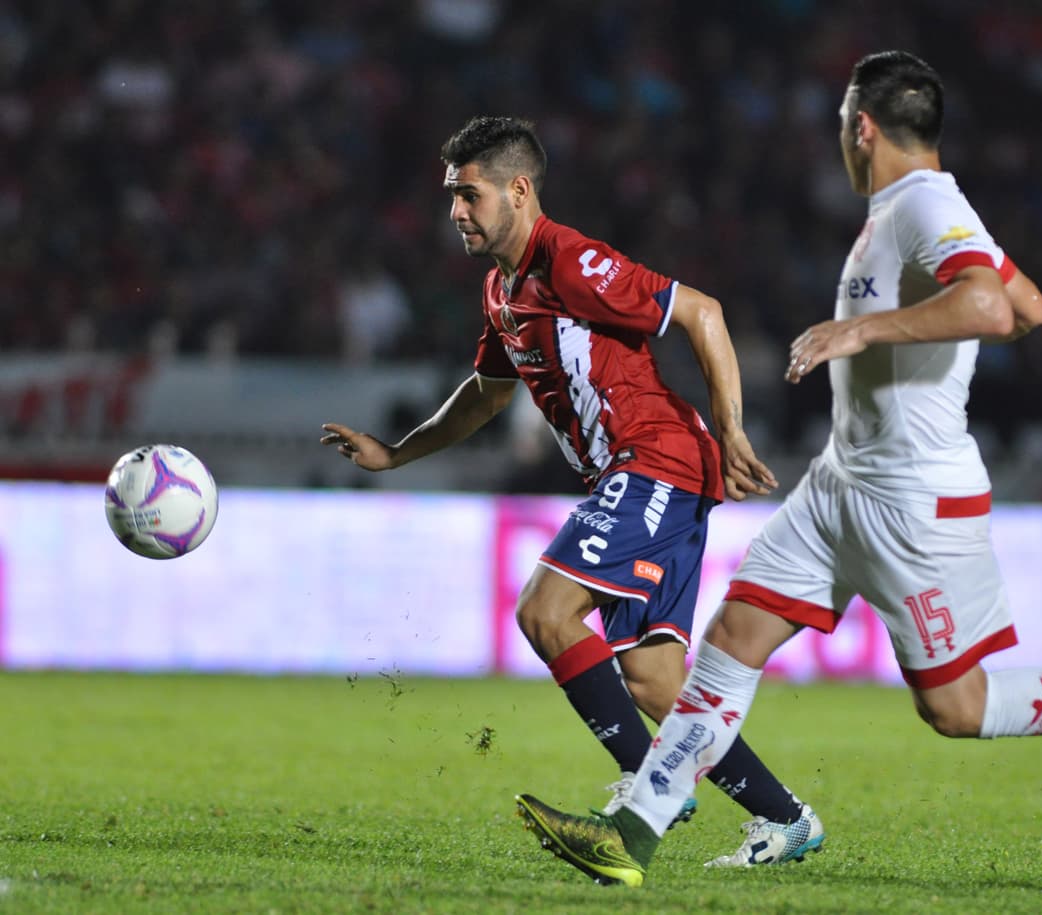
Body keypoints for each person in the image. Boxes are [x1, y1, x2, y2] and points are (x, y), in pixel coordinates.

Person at [515, 51, 1042, 888]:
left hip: (912, 498)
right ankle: (632, 834)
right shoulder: (905, 210)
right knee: (731, 641)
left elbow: (994, 307)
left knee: (955, 707)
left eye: (840, 130)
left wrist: (861, 332)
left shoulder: (925, 203)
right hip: (838, 487)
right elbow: (1029, 303)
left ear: (862, 127)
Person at [321, 116, 826, 867]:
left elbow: (701, 311)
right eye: (451, 196)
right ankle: (787, 819)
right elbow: (487, 396)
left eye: (469, 195)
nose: (455, 211)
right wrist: (397, 453)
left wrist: (733, 430)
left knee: (544, 609)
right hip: (648, 474)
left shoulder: (570, 260)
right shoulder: (503, 289)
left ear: (518, 191)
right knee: (656, 683)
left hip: (655, 460)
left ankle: (646, 782)